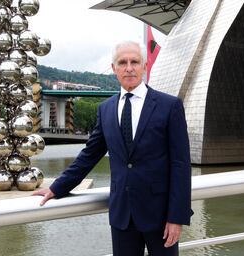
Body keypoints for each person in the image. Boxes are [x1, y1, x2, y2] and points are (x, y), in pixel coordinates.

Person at [33, 41, 192, 256]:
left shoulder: (169, 106)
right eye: (122, 62)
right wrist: (57, 187)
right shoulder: (105, 109)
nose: (129, 67)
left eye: (134, 62)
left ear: (144, 66)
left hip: (161, 216)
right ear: (114, 68)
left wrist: (177, 216)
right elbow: (90, 155)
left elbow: (180, 165)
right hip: (122, 215)